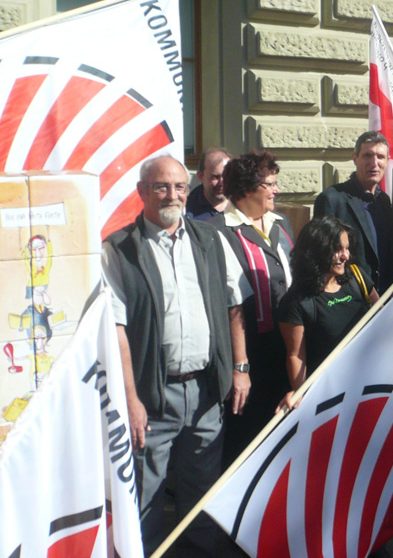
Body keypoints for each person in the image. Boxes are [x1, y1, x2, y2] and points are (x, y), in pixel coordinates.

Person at [102, 156, 240, 556]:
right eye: (162, 187)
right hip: (153, 396)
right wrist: (130, 400)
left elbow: (234, 305)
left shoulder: (209, 239)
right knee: (147, 498)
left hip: (205, 394)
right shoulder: (119, 250)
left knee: (201, 498)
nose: (173, 195)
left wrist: (241, 368)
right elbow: (118, 329)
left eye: (180, 186)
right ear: (142, 192)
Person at [211, 150, 294, 466]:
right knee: (247, 442)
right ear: (246, 190)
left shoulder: (281, 223)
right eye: (270, 184)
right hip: (250, 358)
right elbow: (232, 303)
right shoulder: (219, 231)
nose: (276, 191)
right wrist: (240, 367)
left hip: (285, 350)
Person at [277, 216, 380, 409]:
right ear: (317, 251)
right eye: (338, 249)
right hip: (333, 396)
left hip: (370, 382)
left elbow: (383, 316)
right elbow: (296, 356)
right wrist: (300, 395)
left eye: (347, 248)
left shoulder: (357, 276)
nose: (346, 256)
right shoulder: (296, 302)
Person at [314, 131, 393, 293]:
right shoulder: (332, 199)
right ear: (355, 158)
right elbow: (323, 258)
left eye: (380, 157)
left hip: (385, 299)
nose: (374, 163)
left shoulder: (385, 201)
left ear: (387, 161)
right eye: (367, 156)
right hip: (350, 300)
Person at [186, 147, 232, 220]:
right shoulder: (188, 210)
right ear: (201, 177)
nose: (222, 183)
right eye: (215, 177)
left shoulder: (244, 202)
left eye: (226, 175)